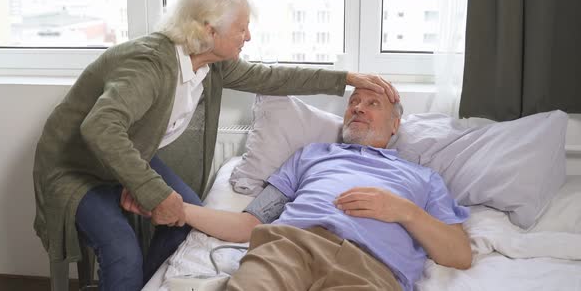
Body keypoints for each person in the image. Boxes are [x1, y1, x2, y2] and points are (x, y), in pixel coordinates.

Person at [32, 0, 398, 291]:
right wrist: (151, 189)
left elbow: (271, 77)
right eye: (241, 28)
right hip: (77, 167)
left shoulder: (212, 64)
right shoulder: (148, 63)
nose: (248, 36)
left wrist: (347, 79)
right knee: (122, 248)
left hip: (126, 155)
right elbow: (99, 127)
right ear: (209, 30)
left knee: (185, 217)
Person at [124, 88, 472, 291]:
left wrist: (404, 211)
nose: (358, 108)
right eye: (354, 102)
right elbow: (249, 224)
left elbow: (458, 254)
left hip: (370, 268)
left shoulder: (424, 178)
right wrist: (177, 209)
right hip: (287, 247)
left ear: (396, 123)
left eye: (372, 104)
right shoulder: (313, 155)